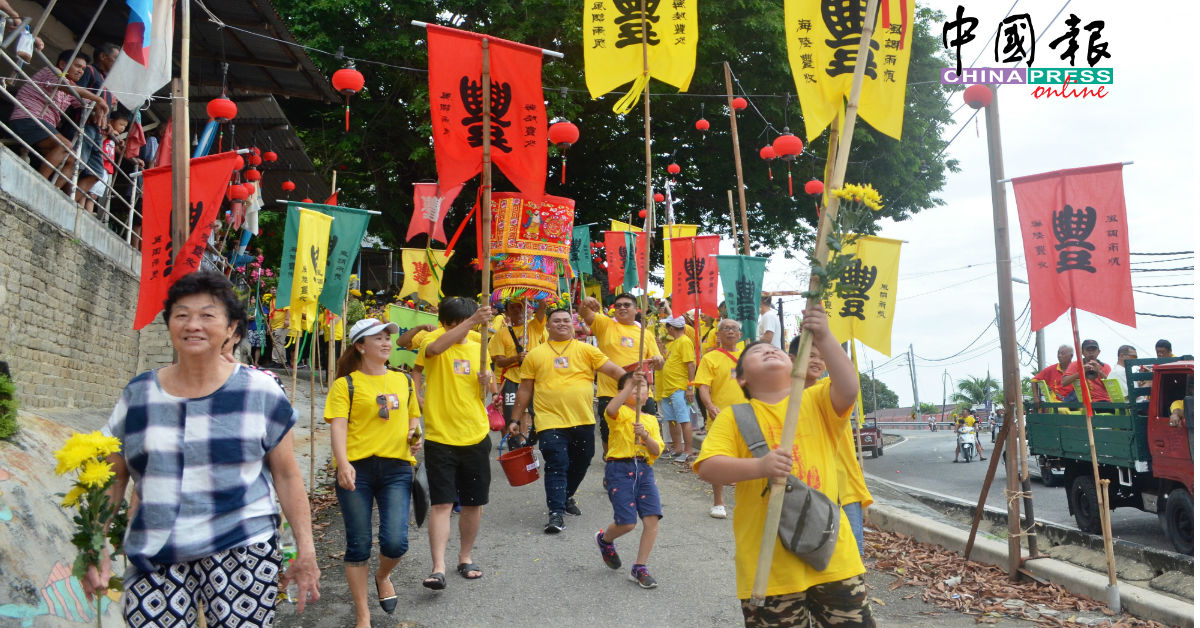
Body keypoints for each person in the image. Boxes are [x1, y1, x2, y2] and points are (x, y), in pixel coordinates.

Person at [82, 270, 320, 625]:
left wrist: (306, 549)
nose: (193, 324)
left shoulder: (260, 392)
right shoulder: (139, 395)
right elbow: (115, 475)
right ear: (169, 326)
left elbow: (286, 474)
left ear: (230, 329)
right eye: (182, 315)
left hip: (242, 547)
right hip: (157, 553)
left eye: (207, 315)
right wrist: (95, 544)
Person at [695, 302, 873, 628]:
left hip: (833, 554)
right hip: (768, 566)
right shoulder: (735, 417)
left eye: (775, 349)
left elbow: (848, 388)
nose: (770, 351)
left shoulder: (816, 398)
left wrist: (824, 334)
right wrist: (759, 466)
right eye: (758, 351)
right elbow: (708, 467)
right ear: (741, 378)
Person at [325, 318, 421, 626]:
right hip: (358, 469)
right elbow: (338, 427)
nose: (385, 343)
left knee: (395, 542)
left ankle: (383, 575)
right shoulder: (346, 384)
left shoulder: (403, 380)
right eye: (377, 338)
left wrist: (413, 436)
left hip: (396, 467)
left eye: (387, 337)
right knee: (358, 544)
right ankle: (363, 615)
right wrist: (343, 464)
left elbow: (413, 420)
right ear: (360, 346)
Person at [511, 307, 626, 533]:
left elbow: (615, 371)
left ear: (573, 325)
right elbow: (525, 390)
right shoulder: (535, 354)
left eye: (566, 320)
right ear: (548, 326)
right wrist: (515, 419)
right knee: (557, 463)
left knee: (582, 462)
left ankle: (566, 496)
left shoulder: (587, 350)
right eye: (557, 321)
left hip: (582, 419)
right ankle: (555, 512)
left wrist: (633, 382)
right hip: (549, 420)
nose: (562, 324)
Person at [419, 298, 495, 589]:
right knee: (442, 502)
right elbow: (436, 349)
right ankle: (438, 566)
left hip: (475, 433)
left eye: (463, 322)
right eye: (454, 323)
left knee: (474, 503)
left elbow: (489, 390)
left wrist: (486, 380)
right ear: (445, 323)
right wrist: (473, 320)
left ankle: (465, 557)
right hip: (440, 436)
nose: (460, 329)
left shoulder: (479, 348)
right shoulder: (432, 338)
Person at [596, 371, 664, 589]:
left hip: (644, 469)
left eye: (641, 386)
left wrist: (645, 436)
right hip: (619, 469)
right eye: (632, 386)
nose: (637, 389)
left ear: (648, 393)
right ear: (622, 392)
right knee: (627, 523)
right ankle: (605, 539)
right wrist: (629, 385)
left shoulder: (652, 420)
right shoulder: (620, 413)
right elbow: (610, 409)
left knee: (651, 520)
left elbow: (657, 450)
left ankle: (640, 567)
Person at [8, 50, 108, 186]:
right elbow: (65, 85)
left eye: (84, 69)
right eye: (77, 66)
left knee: (72, 160)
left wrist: (98, 107)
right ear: (62, 64)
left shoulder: (72, 89)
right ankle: (38, 184)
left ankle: (51, 190)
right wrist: (98, 99)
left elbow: (84, 100)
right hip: (27, 118)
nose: (81, 71)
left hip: (42, 125)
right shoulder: (53, 71)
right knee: (65, 146)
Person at [579, 294, 664, 452]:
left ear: (636, 309)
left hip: (641, 393)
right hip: (610, 392)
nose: (622, 308)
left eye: (626, 305)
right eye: (618, 306)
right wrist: (586, 303)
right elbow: (585, 313)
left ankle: (641, 462)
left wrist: (659, 359)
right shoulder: (605, 324)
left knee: (645, 429)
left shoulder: (646, 334)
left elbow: (657, 364)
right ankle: (610, 459)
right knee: (608, 432)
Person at [694, 318, 745, 519]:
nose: (730, 331)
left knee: (747, 458)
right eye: (725, 328)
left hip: (747, 415)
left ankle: (746, 503)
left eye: (734, 328)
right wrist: (710, 406)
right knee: (717, 457)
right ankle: (718, 502)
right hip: (720, 416)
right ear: (718, 334)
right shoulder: (710, 358)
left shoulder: (747, 356)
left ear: (740, 334)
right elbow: (703, 387)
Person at [488, 298, 547, 438]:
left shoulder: (533, 326)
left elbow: (542, 310)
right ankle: (513, 446)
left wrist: (541, 296)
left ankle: (526, 444)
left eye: (519, 307)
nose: (516, 310)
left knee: (529, 413)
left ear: (525, 309)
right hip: (511, 380)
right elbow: (499, 361)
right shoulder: (501, 334)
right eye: (512, 308)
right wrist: (516, 358)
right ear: (507, 312)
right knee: (510, 415)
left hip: (533, 379)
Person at [659, 316, 697, 463]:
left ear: (671, 328)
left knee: (683, 420)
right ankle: (677, 448)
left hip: (679, 388)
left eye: (667, 327)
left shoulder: (685, 341)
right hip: (668, 388)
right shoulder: (675, 343)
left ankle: (688, 451)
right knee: (672, 420)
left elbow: (690, 365)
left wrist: (689, 388)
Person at [1061, 339, 1112, 403]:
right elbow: (1063, 382)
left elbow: (1112, 385)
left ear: (1098, 352)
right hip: (1083, 401)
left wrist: (1099, 372)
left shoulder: (1105, 366)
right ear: (1082, 352)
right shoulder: (1076, 364)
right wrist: (1081, 372)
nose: (1091, 352)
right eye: (1088, 350)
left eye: (1094, 350)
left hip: (1103, 400)